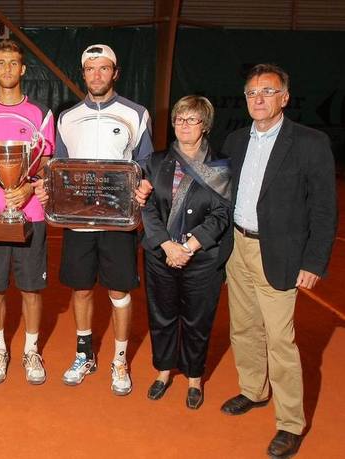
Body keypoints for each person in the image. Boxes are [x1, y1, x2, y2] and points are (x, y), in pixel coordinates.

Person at [219, 64, 337, 458]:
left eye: (267, 92)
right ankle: (253, 389)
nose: (258, 99)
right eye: (252, 92)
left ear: (284, 98)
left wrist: (315, 262)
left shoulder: (310, 142)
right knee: (244, 329)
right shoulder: (235, 140)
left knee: (280, 341)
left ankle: (290, 423)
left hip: (281, 253)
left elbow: (324, 209)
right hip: (238, 248)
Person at [45, 44, 153, 394]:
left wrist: (144, 187)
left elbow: (146, 163)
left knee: (119, 291)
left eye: (104, 69)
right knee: (81, 289)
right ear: (83, 73)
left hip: (118, 223)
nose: (97, 75)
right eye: (91, 69)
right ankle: (84, 355)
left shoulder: (135, 114)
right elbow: (59, 169)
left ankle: (119, 360)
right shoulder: (67, 117)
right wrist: (49, 190)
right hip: (78, 223)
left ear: (115, 73)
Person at [0, 39, 54, 385]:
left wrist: (28, 188)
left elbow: (46, 164)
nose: (7, 69)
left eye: (13, 63)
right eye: (1, 63)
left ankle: (31, 350)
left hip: (31, 215)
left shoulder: (41, 115)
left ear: (23, 69)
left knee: (32, 289)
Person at [141, 96, 231, 409]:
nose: (184, 125)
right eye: (179, 119)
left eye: (192, 119)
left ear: (205, 125)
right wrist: (167, 245)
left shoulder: (221, 166)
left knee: (197, 320)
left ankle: (194, 378)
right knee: (162, 316)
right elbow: (147, 208)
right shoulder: (156, 161)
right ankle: (164, 372)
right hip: (160, 255)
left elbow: (221, 214)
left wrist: (189, 247)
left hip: (202, 258)